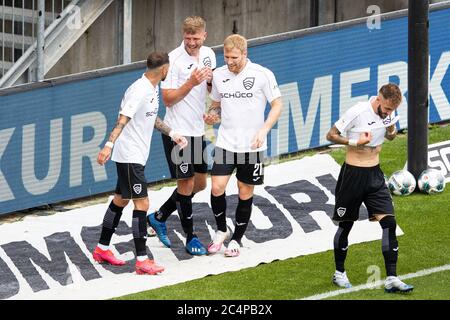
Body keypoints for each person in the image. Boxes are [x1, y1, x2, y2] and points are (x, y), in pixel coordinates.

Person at [92, 51, 188, 275]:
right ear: (164, 69)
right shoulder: (139, 90)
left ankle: (102, 248)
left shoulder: (151, 88)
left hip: (135, 155)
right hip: (129, 156)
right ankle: (142, 260)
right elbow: (122, 119)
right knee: (142, 204)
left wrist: (172, 133)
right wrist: (108, 144)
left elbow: (148, 116)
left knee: (121, 200)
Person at [325, 83, 414, 293]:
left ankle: (392, 278)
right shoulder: (358, 111)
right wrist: (356, 142)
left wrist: (391, 127)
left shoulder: (389, 113)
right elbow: (331, 135)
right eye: (387, 109)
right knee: (346, 225)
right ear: (379, 99)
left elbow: (391, 136)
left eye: (392, 110)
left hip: (375, 176)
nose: (389, 112)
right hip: (352, 176)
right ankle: (339, 273)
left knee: (389, 223)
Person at [204, 34, 282, 257]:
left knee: (244, 192)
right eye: (227, 56)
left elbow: (277, 104)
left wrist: (264, 130)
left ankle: (237, 239)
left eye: (234, 57)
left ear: (245, 54)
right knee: (217, 187)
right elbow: (217, 105)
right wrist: (212, 115)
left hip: (252, 147)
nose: (230, 62)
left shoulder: (262, 74)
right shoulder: (219, 75)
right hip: (226, 143)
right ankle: (221, 230)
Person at [146, 16, 216, 256]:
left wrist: (210, 94)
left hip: (197, 130)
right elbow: (168, 99)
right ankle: (191, 237)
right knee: (185, 183)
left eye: (196, 38)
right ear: (182, 36)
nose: (192, 43)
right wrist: (191, 82)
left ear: (204, 36)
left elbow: (209, 89)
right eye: (188, 38)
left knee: (200, 183)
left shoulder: (209, 54)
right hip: (177, 133)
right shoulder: (173, 60)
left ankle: (160, 216)